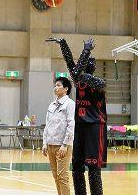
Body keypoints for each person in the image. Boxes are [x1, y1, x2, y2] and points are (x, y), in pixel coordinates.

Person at [47, 37, 107, 195]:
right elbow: (72, 67)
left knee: (94, 171)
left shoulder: (99, 82)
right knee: (77, 168)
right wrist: (64, 45)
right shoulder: (78, 78)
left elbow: (76, 71)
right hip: (80, 126)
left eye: (88, 60)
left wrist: (86, 50)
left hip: (95, 128)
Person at [42, 76, 75, 195]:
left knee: (62, 176)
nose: (55, 88)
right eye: (55, 85)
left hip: (62, 146)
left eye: (58, 85)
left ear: (66, 89)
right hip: (50, 144)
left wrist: (65, 145)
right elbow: (47, 125)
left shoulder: (69, 104)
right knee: (56, 176)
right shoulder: (51, 105)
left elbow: (71, 125)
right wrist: (45, 143)